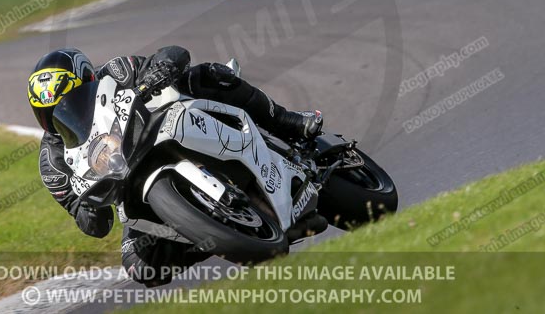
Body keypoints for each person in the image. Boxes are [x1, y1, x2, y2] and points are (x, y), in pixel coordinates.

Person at [29, 47, 326, 287]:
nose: (62, 114)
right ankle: (210, 232)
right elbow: (93, 224)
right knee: (140, 266)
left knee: (206, 76)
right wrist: (88, 208)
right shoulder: (52, 164)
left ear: (88, 79)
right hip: (128, 186)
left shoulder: (117, 71)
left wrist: (161, 67)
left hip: (166, 127)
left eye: (69, 101)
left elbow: (173, 55)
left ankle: (288, 121)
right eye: (49, 113)